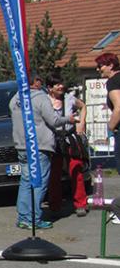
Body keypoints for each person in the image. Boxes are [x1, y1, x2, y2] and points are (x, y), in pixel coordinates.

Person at [10, 75, 77, 229]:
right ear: (36, 82)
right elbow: (53, 120)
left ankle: (23, 217)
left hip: (22, 144)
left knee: (26, 181)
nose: (41, 84)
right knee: (38, 183)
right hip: (39, 145)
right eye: (39, 81)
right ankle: (33, 218)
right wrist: (69, 119)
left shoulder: (16, 98)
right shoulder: (41, 97)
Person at [44, 75, 87, 217]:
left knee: (76, 169)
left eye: (61, 83)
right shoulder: (44, 101)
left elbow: (83, 106)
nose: (61, 86)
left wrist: (81, 123)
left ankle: (80, 203)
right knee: (54, 174)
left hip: (69, 138)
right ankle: (54, 205)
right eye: (57, 84)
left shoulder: (69, 98)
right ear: (50, 88)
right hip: (53, 140)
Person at [96, 52, 120, 170]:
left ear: (110, 65)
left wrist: (110, 126)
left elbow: (119, 107)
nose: (97, 69)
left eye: (100, 66)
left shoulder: (113, 81)